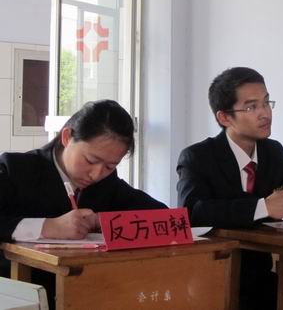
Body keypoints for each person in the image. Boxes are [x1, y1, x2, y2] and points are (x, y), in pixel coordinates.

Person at [177, 67, 283, 310]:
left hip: (260, 278)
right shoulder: (198, 156)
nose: (264, 113)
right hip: (210, 277)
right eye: (251, 107)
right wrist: (263, 207)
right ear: (224, 118)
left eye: (266, 103)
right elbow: (193, 212)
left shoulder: (273, 152)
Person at [0, 99, 167, 308]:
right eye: (90, 160)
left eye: (110, 166)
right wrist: (47, 226)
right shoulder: (16, 169)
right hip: (20, 296)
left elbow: (164, 216)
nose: (96, 174)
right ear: (67, 137)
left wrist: (100, 221)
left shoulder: (107, 184)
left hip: (89, 296)